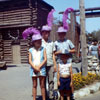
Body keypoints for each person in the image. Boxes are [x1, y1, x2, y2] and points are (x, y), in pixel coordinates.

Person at [55, 26, 75, 100]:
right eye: (60, 34)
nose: (61, 35)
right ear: (58, 34)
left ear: (65, 34)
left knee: (69, 79)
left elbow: (74, 50)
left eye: (62, 33)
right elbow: (54, 53)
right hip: (60, 62)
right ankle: (61, 96)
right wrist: (59, 52)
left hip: (68, 62)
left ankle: (71, 95)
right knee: (61, 80)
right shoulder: (56, 43)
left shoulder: (68, 41)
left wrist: (68, 51)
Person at [28, 33, 47, 100]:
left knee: (42, 85)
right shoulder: (31, 50)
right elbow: (30, 60)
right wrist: (35, 67)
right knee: (34, 85)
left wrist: (39, 67)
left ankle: (44, 98)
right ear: (34, 42)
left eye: (40, 41)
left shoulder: (43, 49)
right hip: (33, 69)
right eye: (37, 41)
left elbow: (45, 59)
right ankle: (34, 98)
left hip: (41, 69)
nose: (39, 42)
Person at [41, 25, 57, 100]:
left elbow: (53, 54)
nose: (47, 33)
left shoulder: (51, 42)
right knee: (43, 82)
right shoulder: (39, 42)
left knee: (51, 80)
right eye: (45, 32)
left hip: (50, 64)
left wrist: (55, 65)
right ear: (42, 33)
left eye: (48, 32)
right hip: (42, 65)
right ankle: (44, 96)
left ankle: (51, 96)